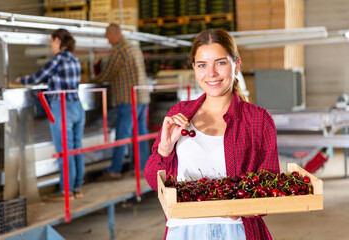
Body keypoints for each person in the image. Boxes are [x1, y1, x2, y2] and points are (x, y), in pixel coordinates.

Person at [143, 29, 280, 240]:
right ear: (194, 69)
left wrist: (237, 208)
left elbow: (269, 187)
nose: (211, 74)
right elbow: (154, 181)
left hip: (237, 231)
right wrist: (165, 149)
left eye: (220, 63)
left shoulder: (258, 120)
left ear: (237, 65)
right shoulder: (179, 115)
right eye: (202, 65)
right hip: (184, 231)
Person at [15, 29, 85, 201]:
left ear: (56, 41)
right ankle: (77, 188)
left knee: (64, 151)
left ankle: (66, 192)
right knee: (76, 149)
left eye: (51, 41)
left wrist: (21, 80)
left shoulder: (57, 60)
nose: (51, 45)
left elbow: (38, 77)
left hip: (62, 108)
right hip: (77, 106)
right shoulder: (75, 59)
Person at [94, 23, 151, 180]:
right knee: (141, 134)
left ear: (113, 34)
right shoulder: (133, 46)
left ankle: (115, 169)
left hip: (129, 99)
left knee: (122, 134)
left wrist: (94, 80)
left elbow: (109, 72)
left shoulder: (119, 49)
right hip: (142, 97)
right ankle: (142, 169)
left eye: (107, 38)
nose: (108, 41)